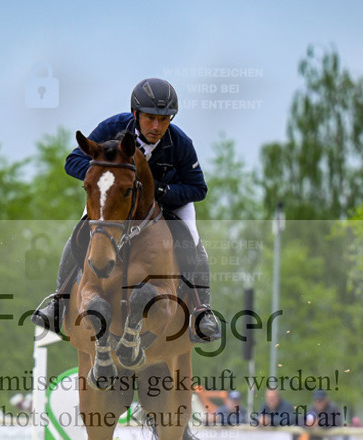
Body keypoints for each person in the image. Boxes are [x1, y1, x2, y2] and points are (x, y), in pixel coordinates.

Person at [30, 77, 221, 343]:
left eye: (164, 119)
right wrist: (107, 179)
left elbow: (198, 188)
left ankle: (202, 311)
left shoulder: (180, 143)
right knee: (82, 228)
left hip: (168, 203)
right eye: (150, 118)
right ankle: (59, 301)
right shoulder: (112, 128)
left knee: (193, 238)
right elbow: (72, 161)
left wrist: (161, 192)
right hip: (116, 200)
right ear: (135, 114)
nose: (157, 126)